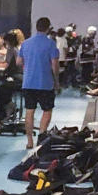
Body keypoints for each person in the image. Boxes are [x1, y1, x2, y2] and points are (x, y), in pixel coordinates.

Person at [19, 15, 59, 148]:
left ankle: (29, 141)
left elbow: (19, 62)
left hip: (28, 83)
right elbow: (54, 65)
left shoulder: (25, 43)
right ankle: (41, 137)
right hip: (45, 84)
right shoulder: (51, 44)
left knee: (29, 111)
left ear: (36, 27)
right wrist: (57, 82)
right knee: (47, 110)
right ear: (48, 29)